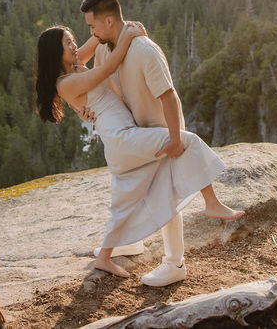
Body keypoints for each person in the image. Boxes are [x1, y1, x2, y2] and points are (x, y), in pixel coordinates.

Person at [34, 22, 244, 280]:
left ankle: (106, 256)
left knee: (125, 200)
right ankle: (211, 203)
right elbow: (109, 68)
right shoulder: (66, 83)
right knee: (186, 142)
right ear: (56, 53)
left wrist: (124, 26)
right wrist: (129, 35)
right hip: (123, 138)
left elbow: (98, 36)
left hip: (120, 139)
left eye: (73, 40)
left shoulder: (76, 64)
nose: (75, 46)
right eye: (68, 43)